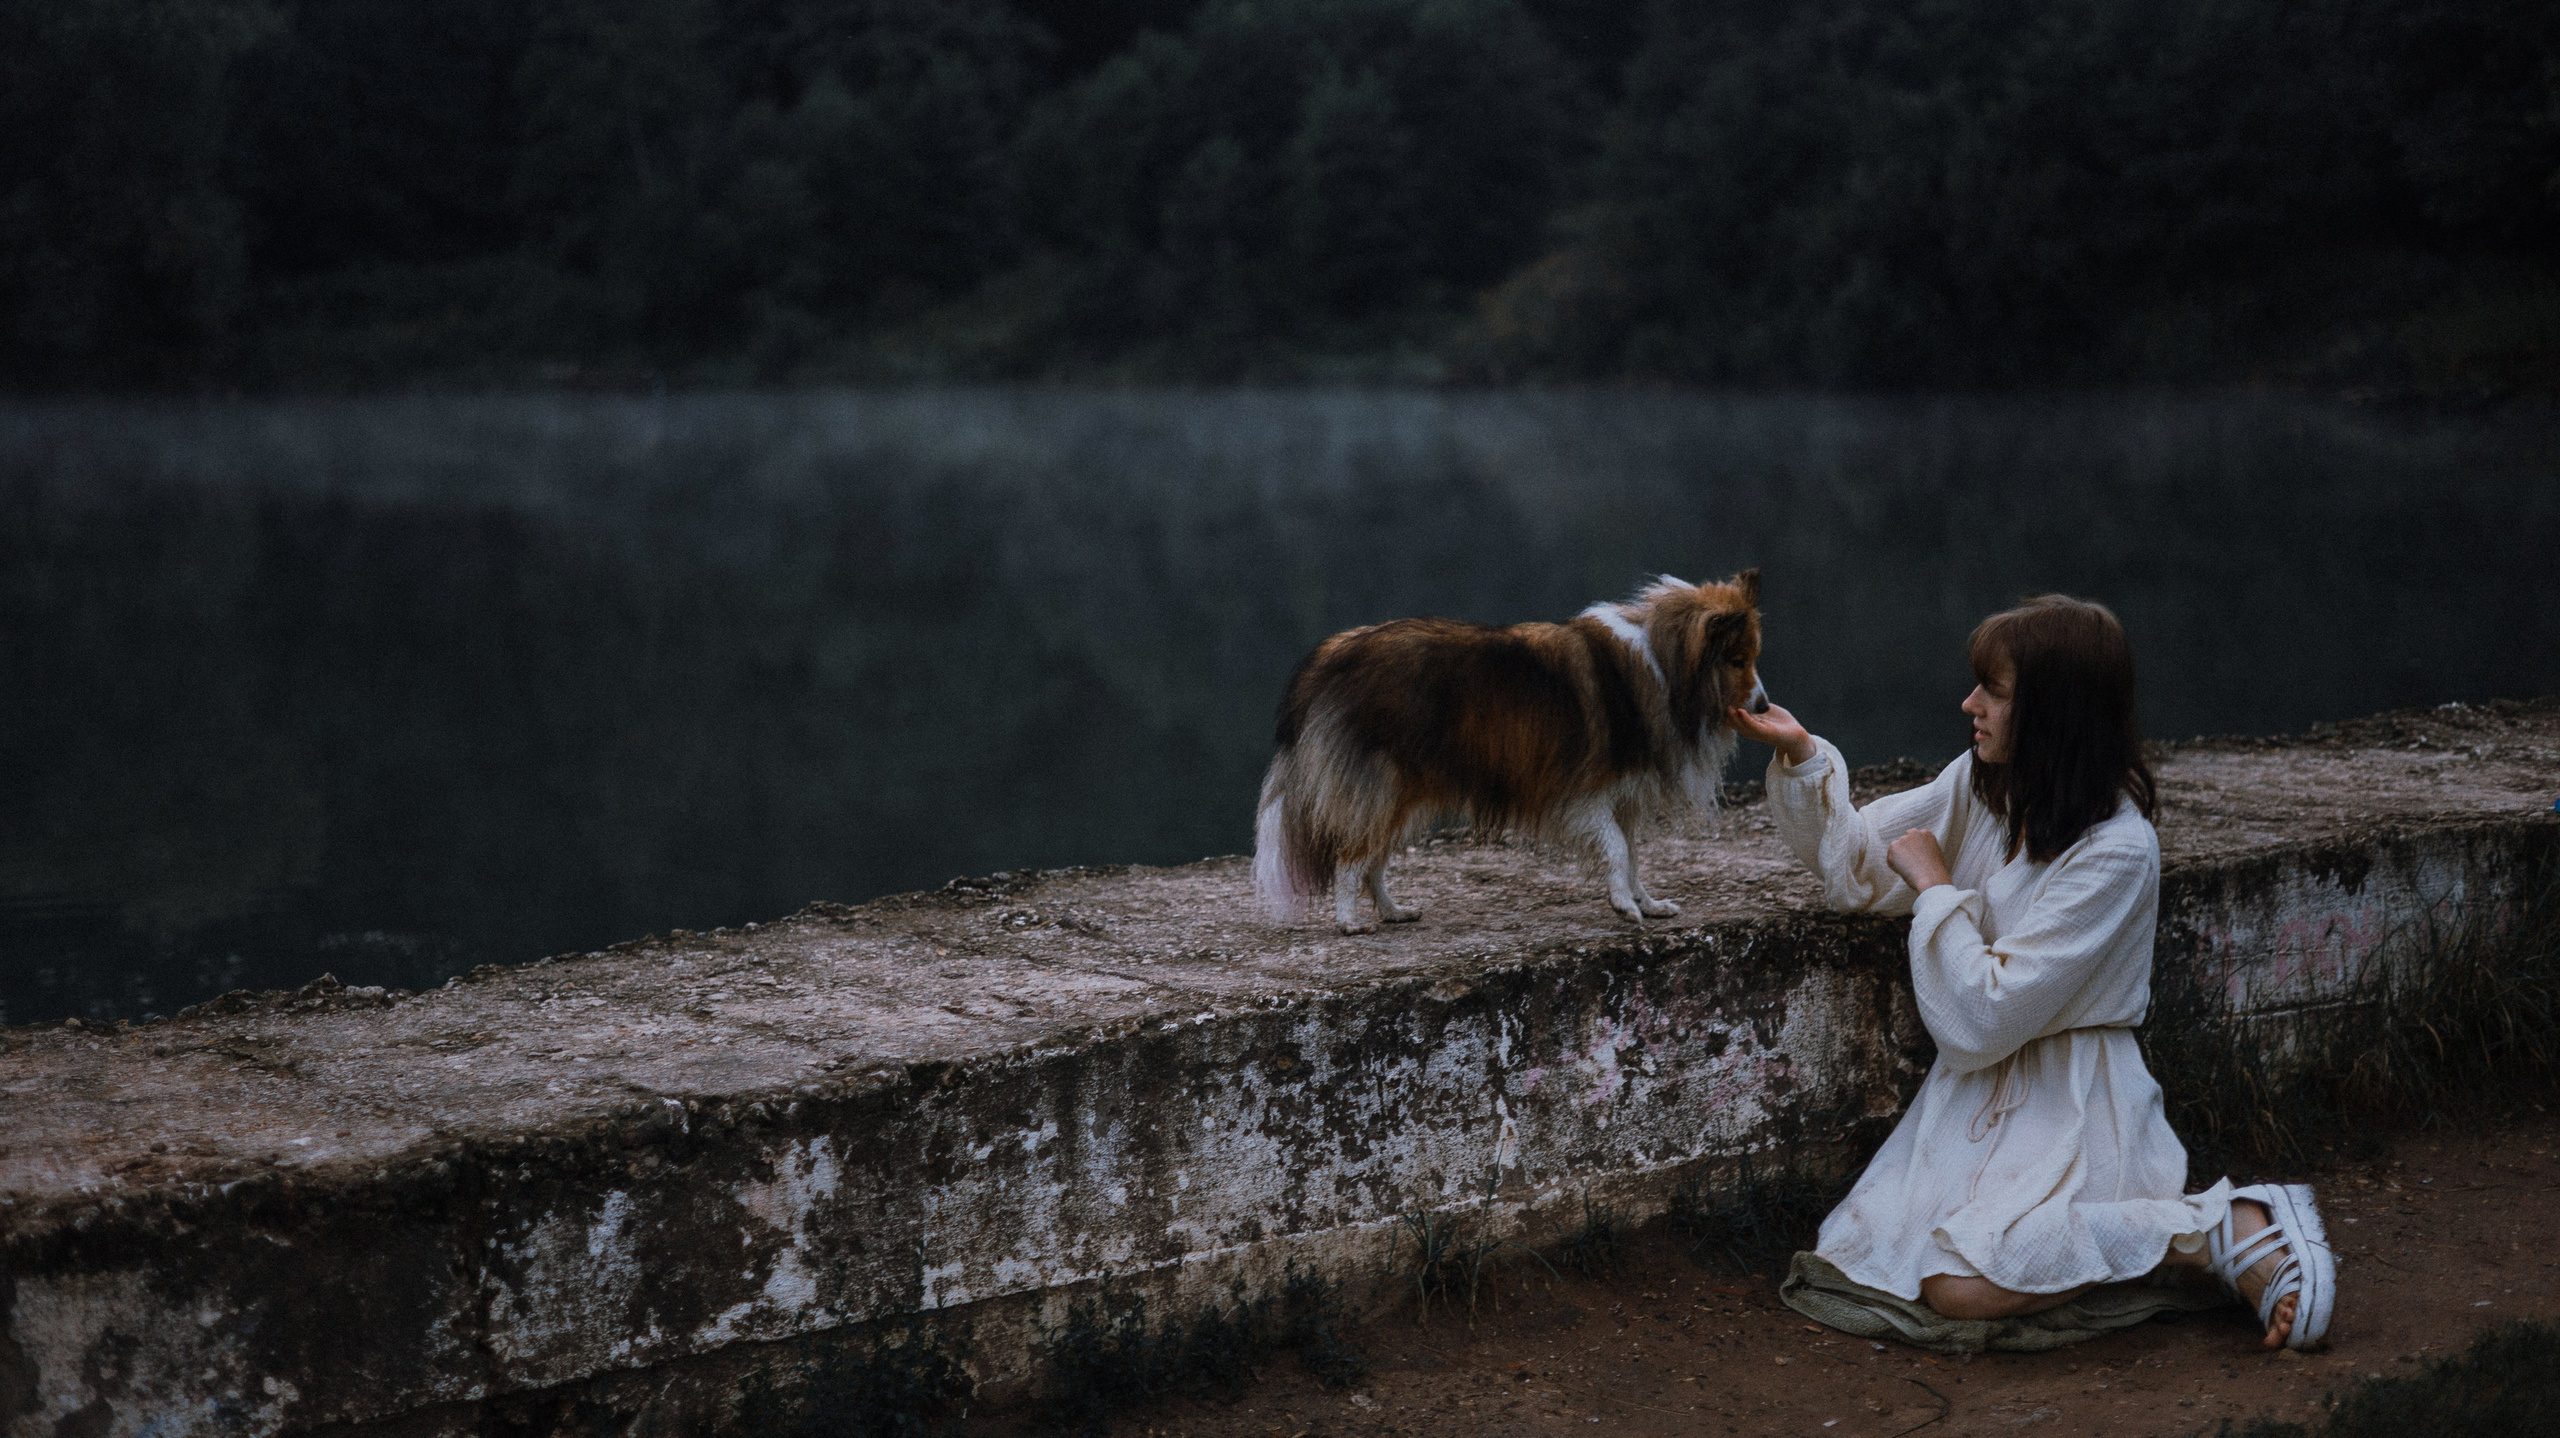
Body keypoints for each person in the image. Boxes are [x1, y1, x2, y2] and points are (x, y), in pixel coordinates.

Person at [1728, 595, 2333, 1349]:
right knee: (1868, 1250)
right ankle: (2166, 1251)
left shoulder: (2118, 848)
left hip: (2076, 1099)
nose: (1969, 704)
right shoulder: (1982, 786)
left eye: (1996, 692)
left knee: (1958, 1285)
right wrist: (1801, 755)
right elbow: (1854, 864)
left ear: (2054, 711)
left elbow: (1984, 1016)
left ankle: (2220, 1227)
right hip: (1974, 1102)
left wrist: (1936, 888)